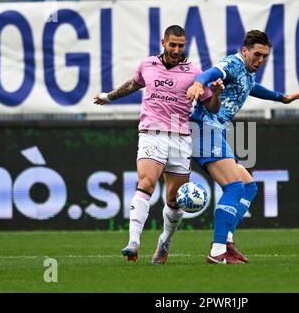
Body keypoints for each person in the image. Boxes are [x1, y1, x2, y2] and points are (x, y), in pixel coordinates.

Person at [94, 25, 223, 265]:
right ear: (163, 42)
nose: (176, 50)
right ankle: (133, 242)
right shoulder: (147, 65)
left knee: (174, 201)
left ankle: (165, 242)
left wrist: (215, 94)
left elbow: (212, 107)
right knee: (146, 183)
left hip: (180, 138)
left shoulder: (195, 73)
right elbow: (132, 85)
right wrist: (108, 97)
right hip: (151, 133)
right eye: (172, 44)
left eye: (181, 45)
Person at [187, 30, 299, 264]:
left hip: (214, 131)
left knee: (248, 186)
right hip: (203, 128)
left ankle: (226, 242)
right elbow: (212, 72)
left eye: (264, 56)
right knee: (233, 187)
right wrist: (199, 82)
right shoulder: (232, 64)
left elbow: (253, 88)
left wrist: (283, 98)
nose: (260, 60)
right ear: (244, 50)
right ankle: (217, 250)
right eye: (257, 54)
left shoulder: (247, 73)